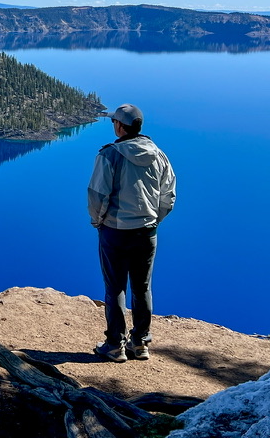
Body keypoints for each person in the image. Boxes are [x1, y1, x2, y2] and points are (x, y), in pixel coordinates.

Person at [87, 104, 176, 363]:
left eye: (114, 121)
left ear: (120, 126)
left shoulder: (110, 155)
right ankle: (140, 343)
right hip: (147, 232)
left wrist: (97, 221)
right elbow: (168, 195)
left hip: (115, 231)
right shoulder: (159, 155)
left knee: (115, 288)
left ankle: (115, 345)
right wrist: (152, 220)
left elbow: (97, 194)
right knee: (142, 286)